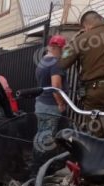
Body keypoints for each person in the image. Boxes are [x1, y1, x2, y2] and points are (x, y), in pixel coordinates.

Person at [32, 35, 68, 173]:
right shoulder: (55, 63)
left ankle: (36, 168)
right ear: (57, 48)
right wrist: (61, 103)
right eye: (63, 49)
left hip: (40, 104)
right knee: (47, 139)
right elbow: (55, 86)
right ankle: (42, 171)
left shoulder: (43, 62)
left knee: (40, 135)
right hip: (51, 106)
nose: (64, 52)